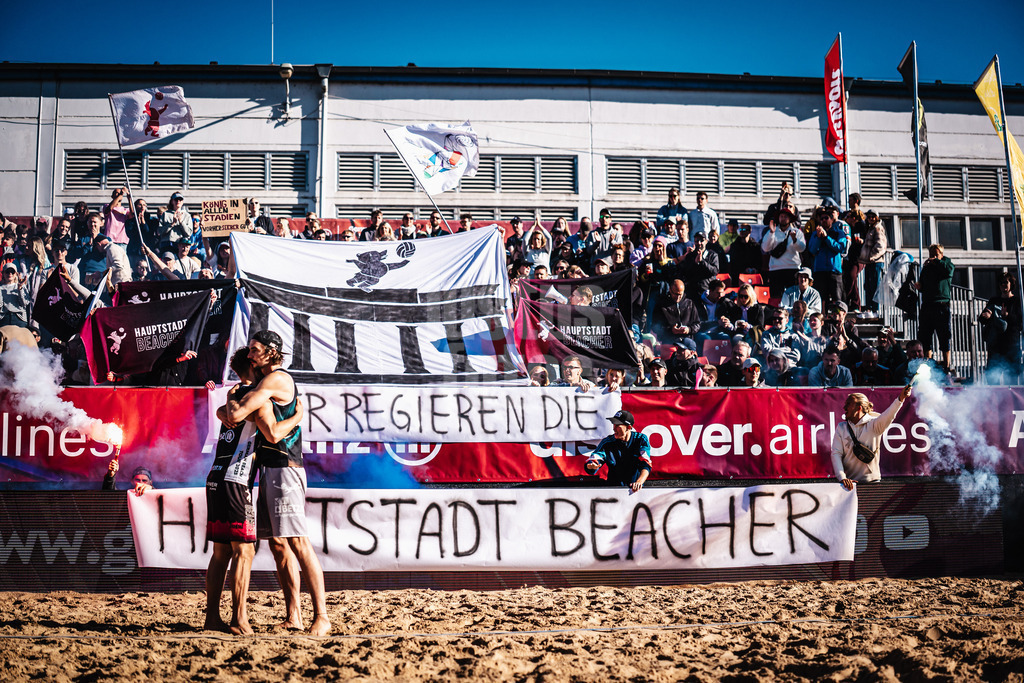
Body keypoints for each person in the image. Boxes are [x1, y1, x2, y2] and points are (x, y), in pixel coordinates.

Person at [220, 330, 330, 636]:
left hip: (286, 465)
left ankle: (321, 615)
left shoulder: (276, 379)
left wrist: (296, 417)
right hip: (269, 466)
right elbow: (232, 412)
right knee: (279, 544)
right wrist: (231, 403)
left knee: (297, 542)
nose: (250, 353)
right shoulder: (259, 383)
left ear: (272, 352)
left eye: (256, 349)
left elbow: (250, 420)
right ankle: (293, 615)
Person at [207, 347, 305, 635]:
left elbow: (229, 413)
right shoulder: (254, 397)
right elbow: (272, 433)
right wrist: (297, 417)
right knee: (245, 552)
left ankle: (212, 618)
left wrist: (222, 406)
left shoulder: (234, 392)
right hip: (237, 478)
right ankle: (239, 620)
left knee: (220, 552)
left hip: (215, 475)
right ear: (253, 367)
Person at [832, 385, 913, 490]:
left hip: (873, 483)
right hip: (850, 485)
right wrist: (842, 478)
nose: (844, 407)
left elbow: (890, 414)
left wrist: (901, 398)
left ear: (859, 407)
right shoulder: (841, 427)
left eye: (848, 404)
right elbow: (836, 453)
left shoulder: (874, 424)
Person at [584, 410, 652, 492]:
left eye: (617, 425)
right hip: (613, 491)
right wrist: (591, 466)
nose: (614, 428)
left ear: (629, 427)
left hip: (635, 490)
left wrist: (639, 482)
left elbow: (646, 463)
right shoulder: (607, 442)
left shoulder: (640, 439)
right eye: (613, 424)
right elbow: (595, 458)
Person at [915, 243, 955, 369]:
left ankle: (947, 363)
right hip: (927, 304)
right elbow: (923, 284)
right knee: (925, 334)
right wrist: (919, 287)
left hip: (941, 304)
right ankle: (928, 361)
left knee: (944, 334)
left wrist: (937, 262)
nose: (932, 257)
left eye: (935, 254)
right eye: (931, 254)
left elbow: (949, 272)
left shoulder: (947, 264)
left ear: (941, 255)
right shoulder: (927, 268)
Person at [979, 272, 1023, 384]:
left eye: (1006, 282)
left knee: (1012, 378)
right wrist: (987, 316)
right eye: (1001, 283)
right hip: (996, 345)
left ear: (1011, 284)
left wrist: (1008, 316)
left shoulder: (1017, 301)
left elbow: (1020, 323)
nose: (1003, 285)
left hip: (1011, 344)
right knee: (993, 378)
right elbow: (982, 319)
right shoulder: (994, 301)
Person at [808, 205, 849, 311]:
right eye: (821, 219)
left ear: (831, 219)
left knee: (837, 298)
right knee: (821, 298)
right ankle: (823, 320)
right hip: (820, 270)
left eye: (826, 218)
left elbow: (841, 247)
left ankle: (838, 320)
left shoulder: (839, 232)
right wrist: (818, 237)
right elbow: (812, 250)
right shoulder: (815, 234)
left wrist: (826, 238)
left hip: (834, 270)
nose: (824, 220)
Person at [760, 207, 806, 299]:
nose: (783, 218)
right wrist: (771, 233)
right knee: (775, 297)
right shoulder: (772, 231)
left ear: (789, 219)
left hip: (792, 269)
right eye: (781, 216)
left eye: (785, 216)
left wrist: (795, 240)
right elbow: (765, 248)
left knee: (793, 298)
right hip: (775, 269)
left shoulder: (797, 232)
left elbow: (802, 248)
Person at [859, 211, 887, 312]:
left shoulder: (877, 228)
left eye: (873, 217)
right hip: (870, 262)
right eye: (869, 217)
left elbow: (881, 245)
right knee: (868, 286)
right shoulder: (870, 228)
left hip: (876, 261)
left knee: (874, 285)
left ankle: (875, 309)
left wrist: (871, 256)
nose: (870, 218)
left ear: (876, 218)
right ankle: (869, 308)